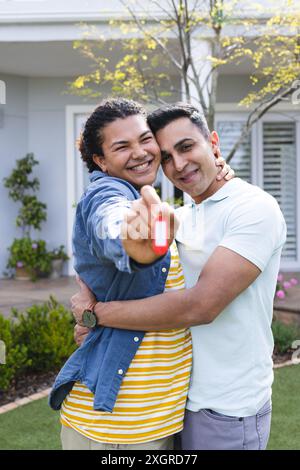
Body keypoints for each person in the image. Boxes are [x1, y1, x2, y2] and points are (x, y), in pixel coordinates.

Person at [72, 102, 287, 451]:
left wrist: (97, 316)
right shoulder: (182, 217)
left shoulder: (253, 208)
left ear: (213, 143)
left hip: (225, 409)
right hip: (172, 406)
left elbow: (200, 307)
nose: (179, 164)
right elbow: (118, 239)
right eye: (167, 156)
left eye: (187, 147)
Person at [49, 98, 232, 451]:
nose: (140, 153)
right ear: (100, 161)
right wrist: (132, 239)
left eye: (145, 139)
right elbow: (112, 222)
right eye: (122, 147)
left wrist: (218, 174)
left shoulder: (161, 203)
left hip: (160, 423)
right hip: (113, 430)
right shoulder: (108, 194)